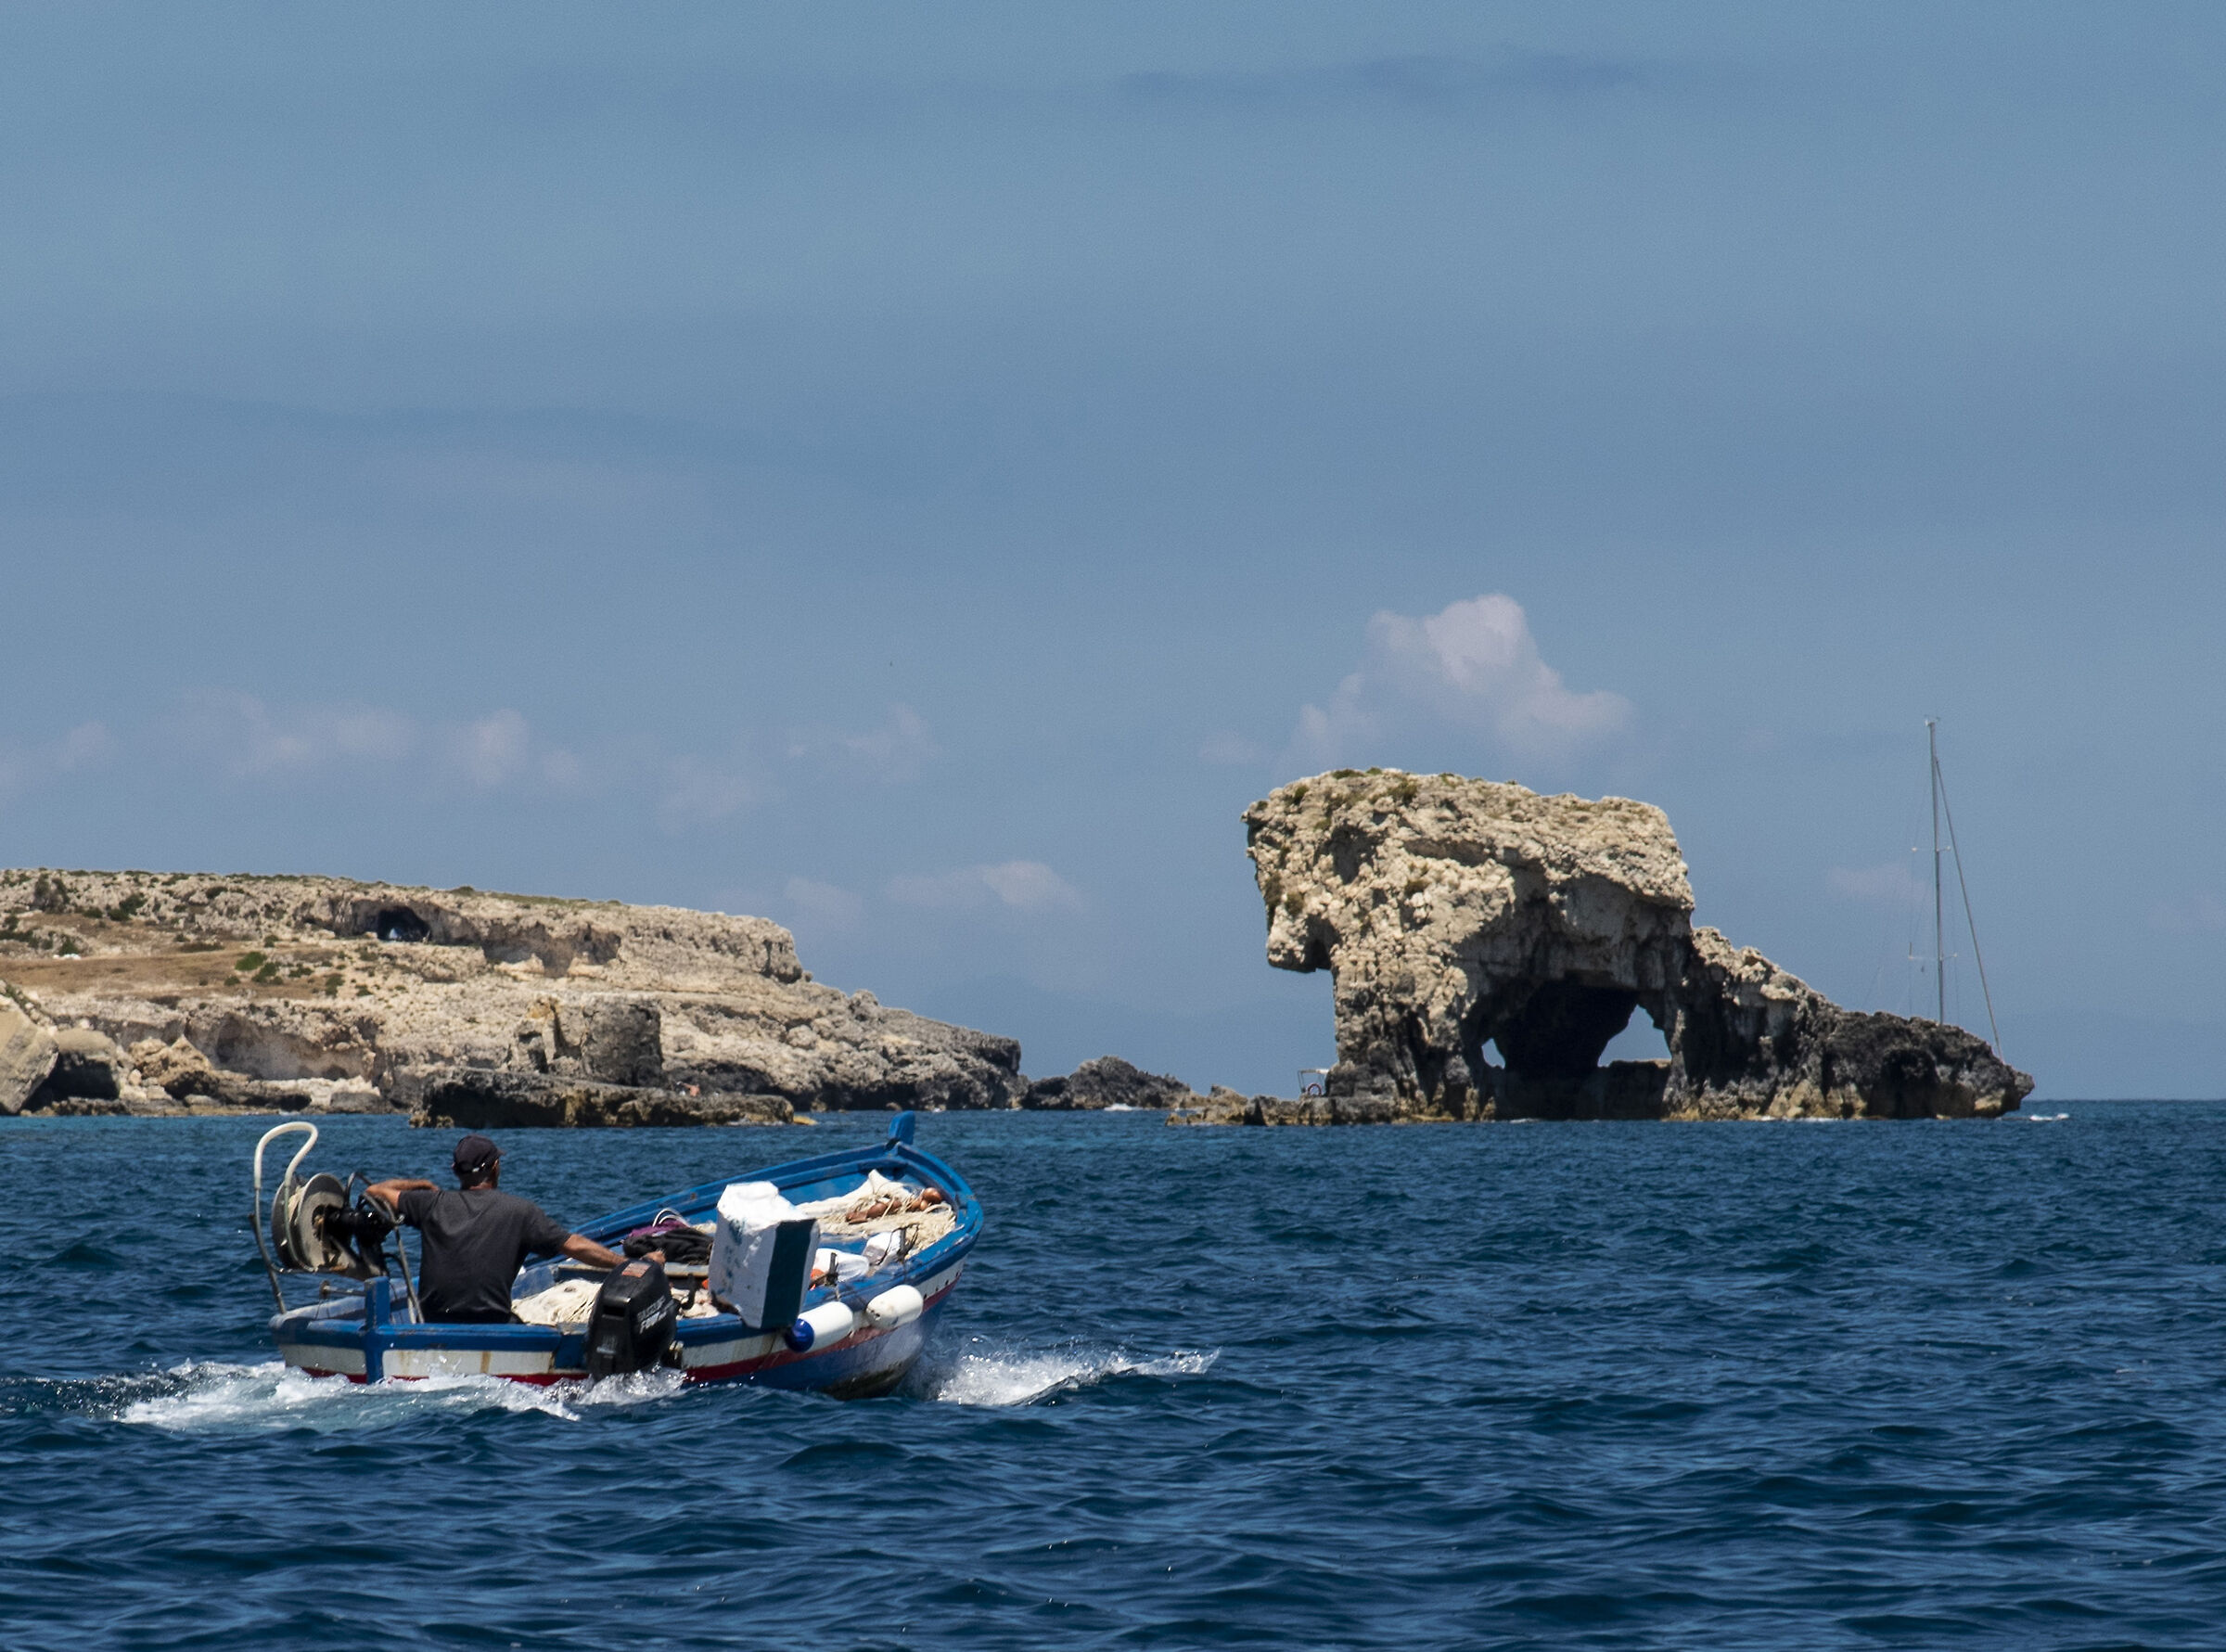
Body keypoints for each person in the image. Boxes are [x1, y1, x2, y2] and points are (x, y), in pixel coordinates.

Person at [368, 1133, 625, 1324]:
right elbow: (575, 1246)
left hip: (434, 1324)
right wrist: (624, 1263)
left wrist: (420, 1183)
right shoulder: (520, 1212)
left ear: (455, 1170)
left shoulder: (430, 1204)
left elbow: (375, 1192)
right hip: (493, 1325)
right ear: (495, 1167)